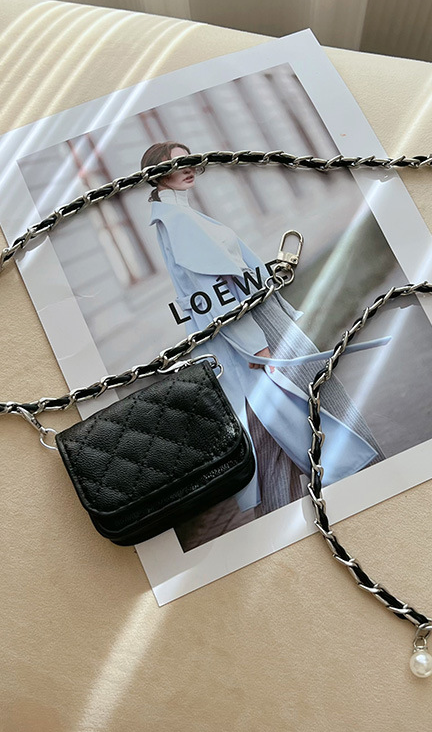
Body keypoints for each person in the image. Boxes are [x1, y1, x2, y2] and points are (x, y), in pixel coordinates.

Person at [141, 140, 384, 515]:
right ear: (159, 175)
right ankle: (363, 482)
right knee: (292, 415)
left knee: (279, 427)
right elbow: (213, 293)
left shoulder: (179, 216)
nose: (189, 169)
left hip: (255, 321)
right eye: (178, 164)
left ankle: (326, 494)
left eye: (193, 162)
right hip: (253, 329)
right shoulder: (178, 222)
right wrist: (256, 345)